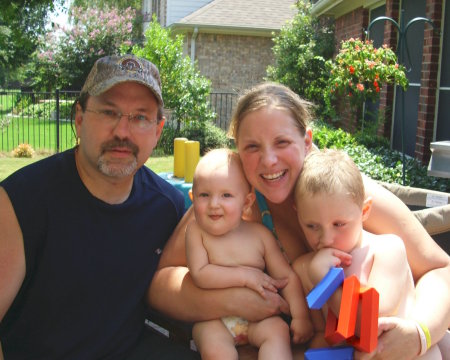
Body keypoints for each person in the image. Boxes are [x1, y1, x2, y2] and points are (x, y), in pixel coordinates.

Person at [149, 82, 450, 360]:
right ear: (238, 152)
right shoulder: (233, 200)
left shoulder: (343, 193)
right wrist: (233, 300)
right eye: (252, 147)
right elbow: (161, 286)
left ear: (306, 141)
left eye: (282, 142)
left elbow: (440, 268)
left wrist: (420, 334)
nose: (269, 160)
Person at [0, 55, 199, 359]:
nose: (122, 131)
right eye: (109, 112)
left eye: (140, 117)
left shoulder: (167, 206)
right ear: (79, 118)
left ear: (157, 131)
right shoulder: (20, 202)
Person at [292, 149, 441, 359]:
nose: (325, 238)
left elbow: (369, 325)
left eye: (339, 224)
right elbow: (319, 333)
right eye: (311, 226)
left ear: (364, 211)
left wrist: (325, 282)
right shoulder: (303, 267)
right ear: (298, 214)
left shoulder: (387, 250)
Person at [186, 148, 313, 359]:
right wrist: (246, 276)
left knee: (278, 332)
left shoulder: (260, 235)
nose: (214, 204)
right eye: (204, 195)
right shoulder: (196, 232)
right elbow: (200, 273)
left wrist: (300, 316)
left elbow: (286, 277)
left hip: (258, 321)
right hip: (215, 319)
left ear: (246, 202)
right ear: (192, 197)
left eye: (226, 195)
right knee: (213, 345)